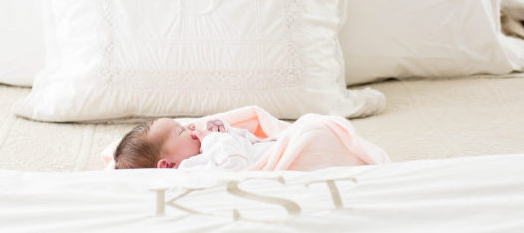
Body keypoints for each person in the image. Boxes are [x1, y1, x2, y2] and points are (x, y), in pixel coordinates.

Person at [113, 114, 388, 170]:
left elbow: (251, 144)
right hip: (290, 155)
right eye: (181, 133)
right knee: (314, 134)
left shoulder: (207, 149)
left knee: (311, 127)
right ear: (166, 165)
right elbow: (235, 164)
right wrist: (217, 139)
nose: (191, 130)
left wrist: (225, 132)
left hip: (275, 149)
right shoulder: (191, 170)